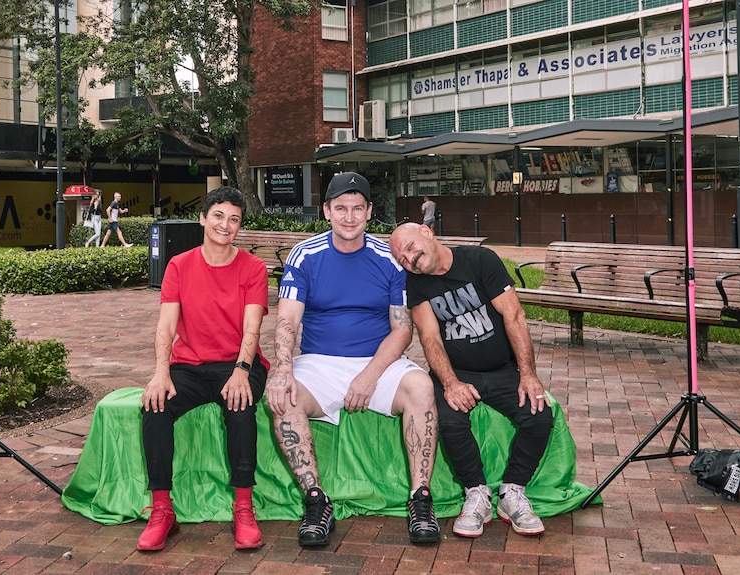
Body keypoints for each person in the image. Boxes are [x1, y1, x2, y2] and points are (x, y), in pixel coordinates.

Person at [266, 172, 441, 548]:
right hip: (319, 362)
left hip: (377, 362)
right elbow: (287, 319)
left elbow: (401, 329)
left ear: (369, 212)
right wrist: (281, 370)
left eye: (357, 208)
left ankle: (421, 499)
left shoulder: (388, 260)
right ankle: (317, 501)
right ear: (327, 211)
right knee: (283, 397)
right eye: (341, 208)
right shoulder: (305, 254)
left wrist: (369, 375)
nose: (349, 216)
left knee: (422, 386)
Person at [389, 222, 553, 538]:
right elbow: (430, 336)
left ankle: (512, 492)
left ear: (427, 232)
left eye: (410, 248)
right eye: (403, 259)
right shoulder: (417, 283)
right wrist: (449, 383)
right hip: (456, 372)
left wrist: (528, 375)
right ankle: (476, 492)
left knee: (539, 416)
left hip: (502, 370)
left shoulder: (480, 261)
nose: (410, 260)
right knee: (449, 421)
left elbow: (514, 316)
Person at [136, 187, 270, 552]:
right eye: (218, 216)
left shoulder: (253, 268)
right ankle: (162, 509)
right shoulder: (179, 265)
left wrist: (242, 370)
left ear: (240, 227)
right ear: (203, 218)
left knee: (240, 407)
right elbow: (166, 327)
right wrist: (161, 372)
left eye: (234, 219)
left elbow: (252, 328)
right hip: (191, 366)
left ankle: (243, 506)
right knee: (154, 406)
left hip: (238, 364)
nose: (225, 225)